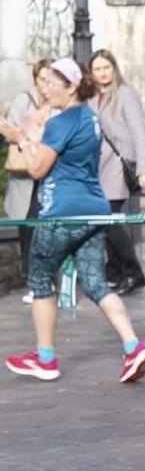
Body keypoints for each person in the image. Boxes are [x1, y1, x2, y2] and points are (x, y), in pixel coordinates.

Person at [0, 58, 145, 384]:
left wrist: (23, 140)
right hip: (94, 209)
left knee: (40, 280)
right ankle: (133, 346)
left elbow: (38, 168)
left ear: (71, 86)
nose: (46, 90)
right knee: (95, 282)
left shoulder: (63, 121)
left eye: (52, 84)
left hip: (61, 212)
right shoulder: (89, 118)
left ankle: (45, 358)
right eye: (43, 83)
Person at [90, 49, 145, 295]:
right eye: (97, 69)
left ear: (114, 68)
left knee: (109, 218)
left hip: (119, 166)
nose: (102, 73)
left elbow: (139, 131)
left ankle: (133, 271)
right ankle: (116, 271)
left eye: (106, 67)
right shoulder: (91, 98)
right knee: (103, 220)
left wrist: (144, 169)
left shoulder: (125, 93)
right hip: (99, 168)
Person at [4, 59, 51, 298]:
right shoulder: (25, 100)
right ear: (35, 79)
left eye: (50, 78)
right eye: (42, 78)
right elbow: (8, 130)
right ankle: (34, 278)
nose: (46, 84)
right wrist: (27, 136)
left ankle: (45, 278)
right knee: (29, 226)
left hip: (50, 172)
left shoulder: (58, 103)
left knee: (47, 226)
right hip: (26, 175)